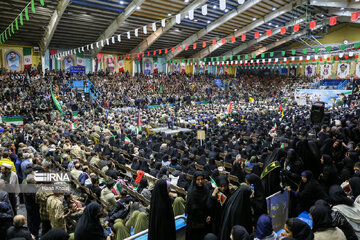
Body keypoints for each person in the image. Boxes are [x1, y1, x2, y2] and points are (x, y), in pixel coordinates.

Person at [185, 171, 211, 240]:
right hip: (194, 221)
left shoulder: (206, 189)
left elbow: (209, 204)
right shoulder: (191, 191)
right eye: (198, 179)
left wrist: (209, 215)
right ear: (195, 180)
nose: (200, 181)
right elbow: (190, 207)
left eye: (202, 179)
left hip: (205, 220)